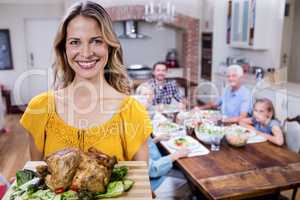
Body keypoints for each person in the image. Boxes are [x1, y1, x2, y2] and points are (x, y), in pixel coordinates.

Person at [20, 1, 152, 161]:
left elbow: (141, 183)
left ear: (109, 47)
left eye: (96, 41)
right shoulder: (40, 109)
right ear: (64, 49)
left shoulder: (132, 112)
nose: (86, 53)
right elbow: (37, 177)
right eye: (75, 42)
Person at [134, 83, 192, 199]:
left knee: (184, 172)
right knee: (190, 184)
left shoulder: (136, 124)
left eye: (150, 94)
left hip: (158, 168)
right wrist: (175, 155)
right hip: (154, 184)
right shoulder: (135, 129)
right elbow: (152, 170)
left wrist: (156, 139)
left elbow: (145, 146)